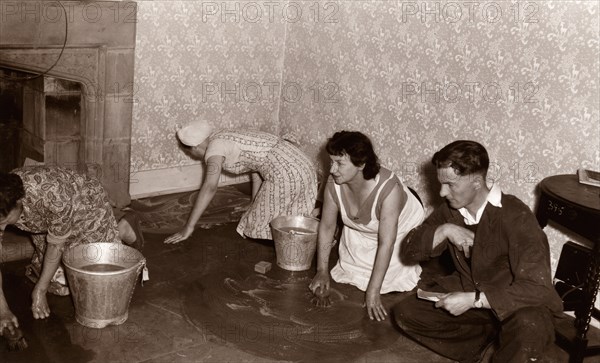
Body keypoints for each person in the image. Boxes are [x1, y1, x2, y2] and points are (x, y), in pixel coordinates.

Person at [393, 140, 563, 362]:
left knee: (531, 327)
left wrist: (474, 300)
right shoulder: (450, 211)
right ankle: (484, 346)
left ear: (476, 181)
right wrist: (445, 230)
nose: (443, 192)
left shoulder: (516, 217)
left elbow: (538, 288)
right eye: (440, 184)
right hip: (473, 295)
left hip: (516, 303)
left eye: (450, 184)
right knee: (407, 312)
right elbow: (409, 251)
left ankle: (508, 344)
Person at [0, 166, 144, 334]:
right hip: (44, 221)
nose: (1, 228)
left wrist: (40, 290)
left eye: (4, 221)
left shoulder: (53, 194)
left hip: (85, 205)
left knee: (94, 271)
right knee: (58, 280)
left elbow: (55, 246)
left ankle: (123, 225)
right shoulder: (5, 204)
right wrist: (3, 311)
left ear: (19, 202)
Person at [308, 131, 425, 321]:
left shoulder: (389, 190)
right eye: (331, 162)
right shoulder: (333, 182)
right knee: (350, 272)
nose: (331, 169)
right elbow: (327, 226)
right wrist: (321, 271)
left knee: (388, 282)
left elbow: (386, 243)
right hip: (365, 224)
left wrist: (373, 291)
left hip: (401, 225)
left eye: (339, 164)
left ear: (361, 164)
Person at [164, 121, 318, 243]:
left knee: (257, 229)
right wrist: (254, 202)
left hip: (287, 171)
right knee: (276, 216)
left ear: (195, 147)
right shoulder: (221, 136)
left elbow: (210, 187)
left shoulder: (214, 150)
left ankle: (316, 231)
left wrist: (188, 227)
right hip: (302, 163)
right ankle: (315, 222)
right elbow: (256, 169)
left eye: (189, 151)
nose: (192, 155)